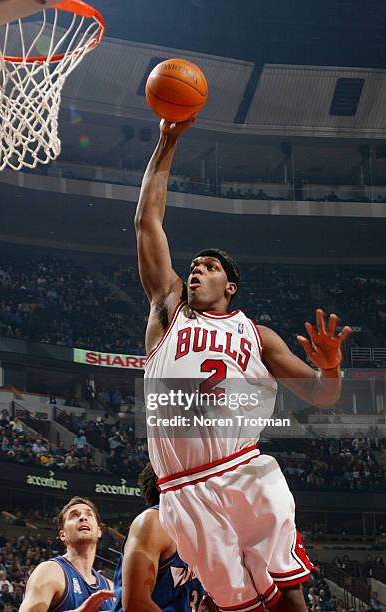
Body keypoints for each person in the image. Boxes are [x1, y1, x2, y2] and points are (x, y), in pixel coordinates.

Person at [135, 117, 352, 612]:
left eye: (210, 267)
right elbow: (147, 221)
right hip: (181, 491)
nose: (197, 269)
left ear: (230, 286)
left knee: (288, 598)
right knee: (238, 606)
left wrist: (332, 368)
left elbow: (322, 396)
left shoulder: (257, 335)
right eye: (195, 265)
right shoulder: (168, 310)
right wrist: (166, 143)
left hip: (242, 472)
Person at [113, 461, 215, 611]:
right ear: (162, 483)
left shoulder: (200, 534)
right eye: (189, 474)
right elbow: (135, 605)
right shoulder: (153, 522)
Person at [19, 496, 114, 611]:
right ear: (62, 535)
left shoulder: (110, 587)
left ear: (99, 531)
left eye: (89, 515)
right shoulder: (49, 571)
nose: (83, 517)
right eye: (74, 515)